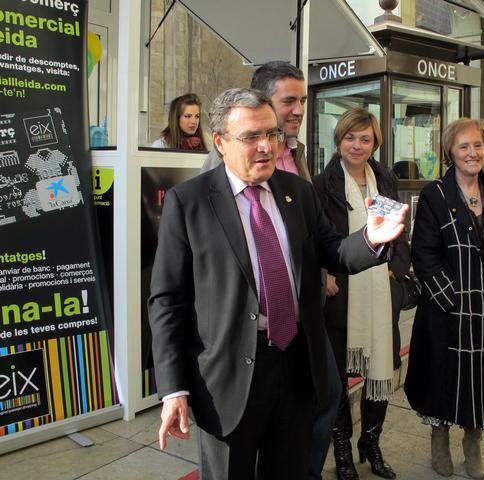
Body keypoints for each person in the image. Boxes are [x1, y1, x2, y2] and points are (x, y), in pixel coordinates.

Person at [148, 88, 408, 480]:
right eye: (251, 136)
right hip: (228, 379)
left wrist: (371, 239)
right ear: (220, 141)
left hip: (296, 367)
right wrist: (173, 388)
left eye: (271, 134)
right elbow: (167, 300)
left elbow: (334, 252)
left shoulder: (298, 192)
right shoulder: (189, 202)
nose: (266, 146)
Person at [404, 117, 484, 479]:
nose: (472, 153)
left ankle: (473, 442)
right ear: (450, 151)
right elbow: (423, 253)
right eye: (464, 146)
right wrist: (451, 300)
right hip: (448, 309)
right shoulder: (435, 195)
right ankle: (439, 438)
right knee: (443, 377)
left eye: (478, 145)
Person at [313, 108, 410, 480]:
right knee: (338, 378)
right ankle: (342, 450)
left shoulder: (385, 179)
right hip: (342, 294)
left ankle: (371, 443)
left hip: (381, 293)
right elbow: (317, 241)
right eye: (350, 137)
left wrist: (396, 268)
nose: (357, 145)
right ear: (339, 140)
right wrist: (325, 274)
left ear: (375, 143)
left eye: (365, 139)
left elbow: (400, 233)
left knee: (380, 370)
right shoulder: (322, 185)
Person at [201, 61, 309, 179]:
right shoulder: (227, 154)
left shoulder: (297, 151)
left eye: (302, 101)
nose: (299, 111)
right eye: (288, 101)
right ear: (261, 101)